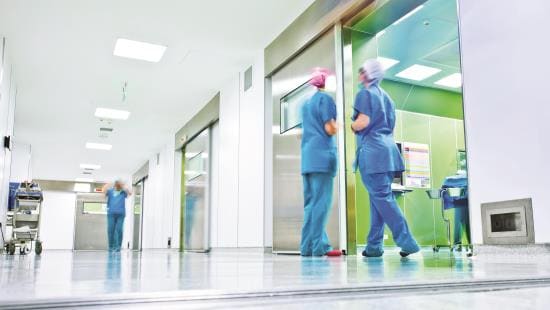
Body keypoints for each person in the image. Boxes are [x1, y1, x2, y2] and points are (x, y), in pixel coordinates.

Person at [351, 59, 420, 258]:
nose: (359, 75)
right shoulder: (387, 97)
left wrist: (351, 125)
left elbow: (362, 122)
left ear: (367, 74)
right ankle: (373, 246)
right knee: (378, 200)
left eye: (361, 71)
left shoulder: (365, 93)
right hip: (388, 153)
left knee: (383, 199)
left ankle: (408, 242)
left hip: (373, 154)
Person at [300, 68, 341, 257]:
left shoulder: (305, 104)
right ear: (325, 81)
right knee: (321, 203)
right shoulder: (325, 100)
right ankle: (318, 247)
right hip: (322, 158)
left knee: (310, 204)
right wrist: (340, 126)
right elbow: (329, 128)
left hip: (308, 158)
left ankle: (307, 247)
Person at [102, 179, 131, 252]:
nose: (119, 186)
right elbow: (104, 191)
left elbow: (130, 193)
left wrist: (124, 185)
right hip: (111, 213)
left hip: (121, 214)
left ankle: (118, 247)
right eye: (118, 184)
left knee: (119, 230)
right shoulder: (110, 191)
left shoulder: (123, 192)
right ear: (115, 185)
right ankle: (111, 247)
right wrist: (109, 183)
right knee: (110, 230)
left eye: (120, 185)